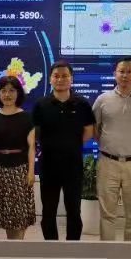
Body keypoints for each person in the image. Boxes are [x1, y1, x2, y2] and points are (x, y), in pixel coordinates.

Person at [92, 57, 131, 241]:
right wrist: (109, 144)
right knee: (107, 213)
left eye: (129, 71)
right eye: (121, 71)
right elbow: (95, 128)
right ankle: (107, 251)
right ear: (115, 74)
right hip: (108, 162)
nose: (125, 75)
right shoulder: (102, 99)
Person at [32, 60, 95, 241]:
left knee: (73, 209)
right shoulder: (41, 104)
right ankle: (51, 248)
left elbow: (89, 130)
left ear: (71, 79)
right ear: (51, 79)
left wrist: (71, 144)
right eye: (56, 76)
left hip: (73, 164)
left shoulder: (82, 103)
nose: (60, 79)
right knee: (48, 210)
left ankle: (72, 248)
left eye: (65, 76)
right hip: (48, 165)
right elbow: (35, 133)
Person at [0, 76, 36, 240]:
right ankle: (11, 245)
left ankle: (18, 246)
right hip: (0, 170)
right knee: (7, 215)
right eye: (3, 91)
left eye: (12, 90)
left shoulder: (27, 118)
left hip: (20, 170)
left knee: (20, 213)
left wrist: (31, 172)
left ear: (18, 93)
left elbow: (31, 147)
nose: (7, 94)